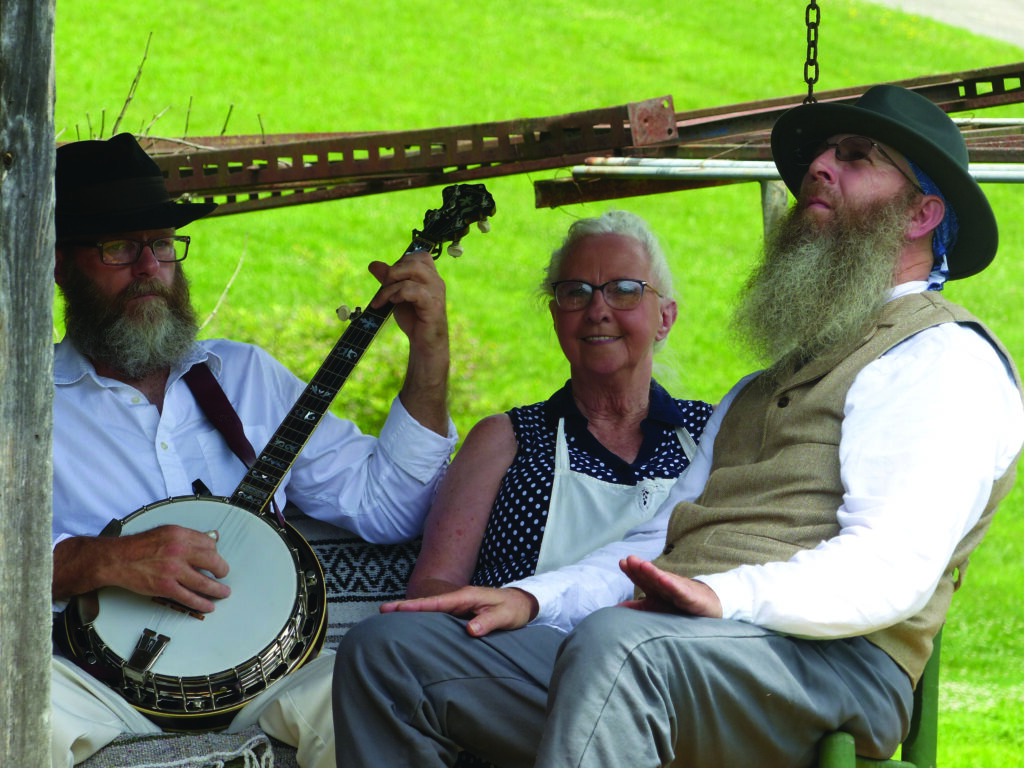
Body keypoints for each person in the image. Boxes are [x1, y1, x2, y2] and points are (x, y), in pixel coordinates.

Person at [332, 84, 1024, 768]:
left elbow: (888, 569)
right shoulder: (754, 391)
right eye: (821, 155)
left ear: (921, 213)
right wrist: (532, 598)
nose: (820, 167)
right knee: (391, 654)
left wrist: (724, 596)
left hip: (827, 668)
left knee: (618, 649)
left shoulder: (942, 359)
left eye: (856, 157)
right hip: (672, 652)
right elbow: (656, 543)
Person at [49, 132, 458, 768]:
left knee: (370, 700)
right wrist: (96, 560)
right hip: (92, 682)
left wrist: (428, 350)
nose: (150, 268)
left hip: (269, 675)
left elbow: (390, 507)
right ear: (59, 265)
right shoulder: (25, 406)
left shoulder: (244, 377)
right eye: (119, 247)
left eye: (162, 244)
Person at [401, 210, 713, 639]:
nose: (597, 309)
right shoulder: (506, 438)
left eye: (625, 290)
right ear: (555, 316)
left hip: (668, 669)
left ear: (665, 317)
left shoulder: (713, 433)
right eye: (576, 292)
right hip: (518, 670)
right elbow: (433, 589)